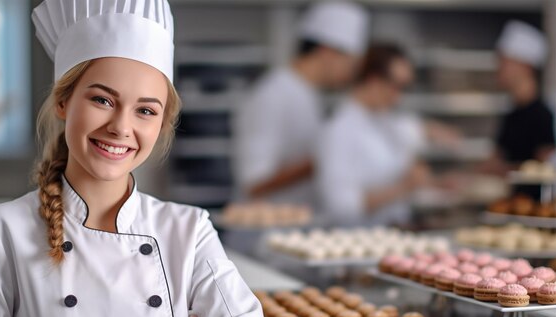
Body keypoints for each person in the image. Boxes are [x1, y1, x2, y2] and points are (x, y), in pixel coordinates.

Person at [0, 1, 269, 317]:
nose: (121, 128)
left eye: (145, 110)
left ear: (160, 124)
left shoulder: (188, 230)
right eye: (102, 100)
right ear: (63, 102)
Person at [231, 1, 369, 204]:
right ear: (327, 52)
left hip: (297, 226)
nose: (351, 73)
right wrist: (326, 160)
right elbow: (254, 184)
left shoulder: (309, 95)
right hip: (264, 232)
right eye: (351, 63)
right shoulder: (271, 95)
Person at [316, 44, 456, 227]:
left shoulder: (386, 120)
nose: (398, 96)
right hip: (361, 238)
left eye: (405, 88)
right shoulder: (338, 130)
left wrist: (435, 183)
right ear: (373, 80)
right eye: (397, 86)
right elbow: (341, 206)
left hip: (397, 228)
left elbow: (413, 136)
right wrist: (404, 187)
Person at [489, 20, 555, 173]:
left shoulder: (543, 115)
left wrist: (502, 171)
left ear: (525, 66)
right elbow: (496, 159)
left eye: (505, 62)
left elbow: (544, 168)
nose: (499, 68)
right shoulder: (512, 114)